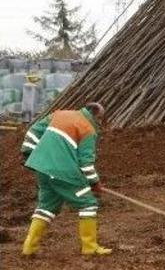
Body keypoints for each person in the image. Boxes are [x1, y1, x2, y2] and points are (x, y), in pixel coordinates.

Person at [20, 102, 111, 256]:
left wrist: (28, 152)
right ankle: (90, 247)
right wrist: (95, 183)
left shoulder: (59, 115)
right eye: (101, 120)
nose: (100, 124)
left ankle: (29, 248)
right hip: (63, 171)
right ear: (96, 116)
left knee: (46, 206)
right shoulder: (88, 129)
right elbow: (86, 163)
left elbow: (33, 131)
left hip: (42, 168)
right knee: (88, 204)